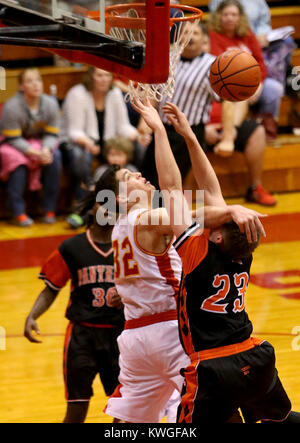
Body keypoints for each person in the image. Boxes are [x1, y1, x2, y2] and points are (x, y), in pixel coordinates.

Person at [132, 97, 300, 424]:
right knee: (280, 418)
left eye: (219, 221)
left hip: (212, 366)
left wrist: (161, 132)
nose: (216, 217)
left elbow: (171, 186)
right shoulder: (243, 250)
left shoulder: (197, 251)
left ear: (218, 235)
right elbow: (212, 191)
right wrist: (191, 137)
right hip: (254, 355)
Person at [142, 21, 276, 206]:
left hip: (188, 133)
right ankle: (146, 228)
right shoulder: (168, 57)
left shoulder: (213, 65)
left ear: (205, 38)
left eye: (196, 33)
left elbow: (227, 101)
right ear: (178, 37)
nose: (191, 37)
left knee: (171, 189)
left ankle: (174, 231)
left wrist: (228, 137)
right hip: (161, 129)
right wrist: (145, 124)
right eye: (186, 32)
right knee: (148, 184)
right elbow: (154, 92)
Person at [24, 185, 124, 423]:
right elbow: (51, 288)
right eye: (103, 204)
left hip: (121, 337)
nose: (109, 210)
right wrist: (32, 316)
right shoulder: (71, 247)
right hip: (82, 337)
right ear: (91, 209)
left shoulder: (129, 248)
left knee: (123, 410)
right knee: (77, 409)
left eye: (115, 207)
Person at [59, 67, 151, 228]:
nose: (104, 79)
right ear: (91, 77)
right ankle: (81, 205)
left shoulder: (115, 93)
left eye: (107, 75)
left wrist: (139, 136)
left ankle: (141, 201)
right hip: (79, 143)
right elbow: (73, 131)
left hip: (109, 143)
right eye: (99, 75)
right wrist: (88, 143)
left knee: (142, 147)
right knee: (81, 156)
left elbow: (123, 126)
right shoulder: (77, 94)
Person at [208, 0, 285, 140]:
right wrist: (246, 87)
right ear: (219, 16)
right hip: (230, 85)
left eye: (234, 14)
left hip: (254, 83)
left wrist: (258, 84)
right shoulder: (213, 36)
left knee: (275, 89)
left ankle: (267, 125)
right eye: (226, 14)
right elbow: (217, 68)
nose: (230, 18)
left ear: (240, 17)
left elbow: (260, 62)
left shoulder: (248, 34)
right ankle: (233, 132)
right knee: (237, 96)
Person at [0, 68, 62, 226]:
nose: (36, 84)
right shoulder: (11, 107)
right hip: (12, 144)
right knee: (17, 162)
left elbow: (52, 134)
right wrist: (34, 152)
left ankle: (49, 209)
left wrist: (46, 150)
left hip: (41, 144)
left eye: (38, 80)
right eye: (30, 81)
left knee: (55, 158)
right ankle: (17, 211)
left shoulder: (51, 104)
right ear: (21, 87)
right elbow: (13, 139)